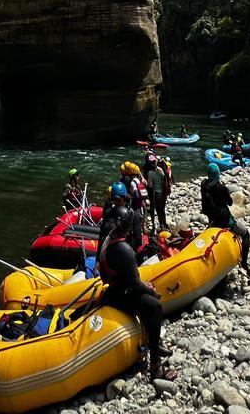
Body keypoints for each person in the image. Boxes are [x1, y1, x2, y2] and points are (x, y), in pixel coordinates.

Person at [99, 207, 175, 382]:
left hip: (116, 288)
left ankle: (151, 340)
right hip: (120, 293)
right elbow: (134, 283)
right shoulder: (123, 250)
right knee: (154, 306)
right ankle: (155, 366)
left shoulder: (110, 236)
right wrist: (151, 291)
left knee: (146, 297)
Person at [199, 160, 250, 274]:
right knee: (246, 235)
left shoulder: (203, 185)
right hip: (224, 220)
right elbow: (230, 203)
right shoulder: (221, 187)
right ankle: (244, 263)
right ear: (218, 174)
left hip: (212, 219)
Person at [146, 154, 167, 234]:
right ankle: (165, 224)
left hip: (157, 194)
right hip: (164, 193)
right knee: (163, 210)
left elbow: (150, 185)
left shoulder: (150, 173)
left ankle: (162, 227)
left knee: (158, 211)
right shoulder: (161, 169)